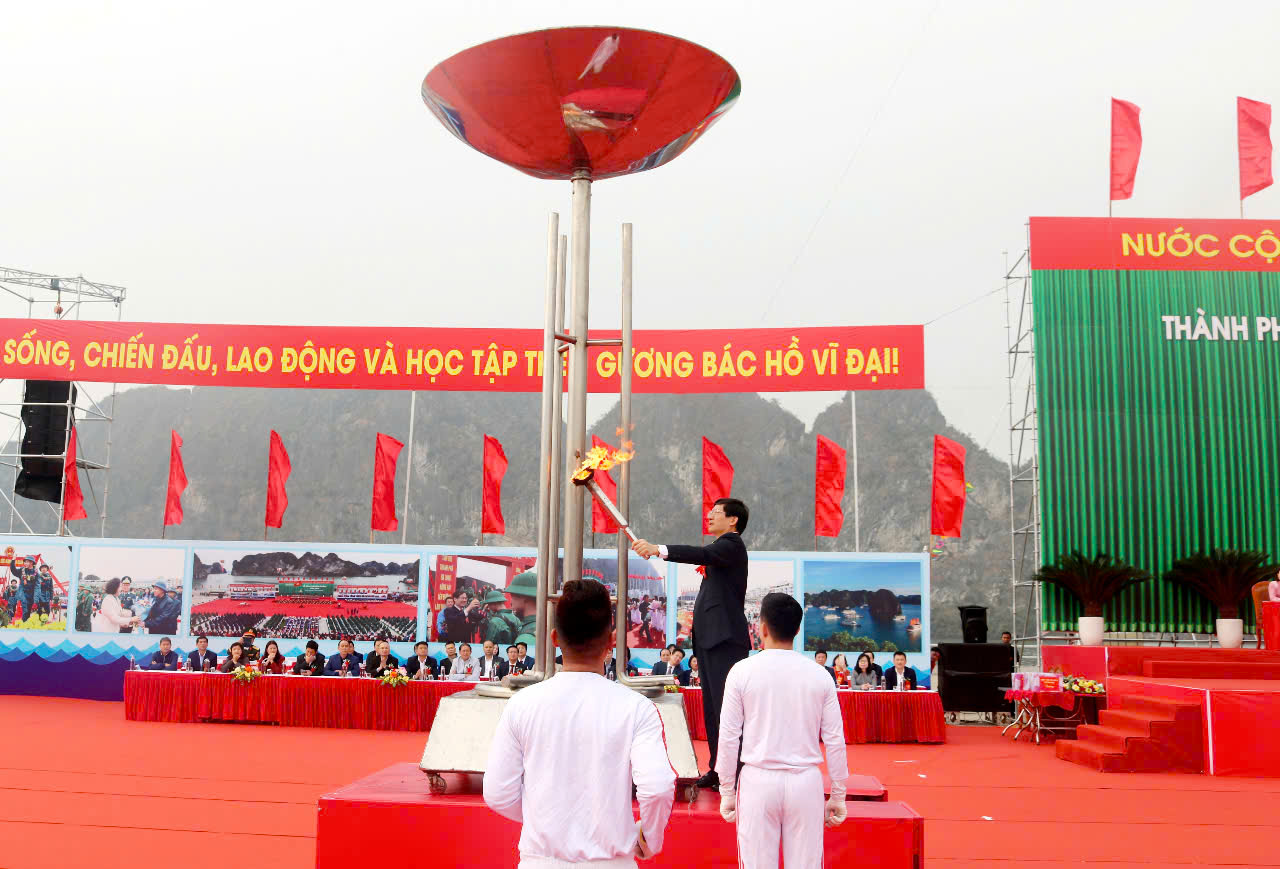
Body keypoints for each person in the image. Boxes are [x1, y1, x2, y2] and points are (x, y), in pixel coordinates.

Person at [484, 578, 674, 866]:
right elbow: (658, 787)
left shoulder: (522, 704)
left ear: (554, 638)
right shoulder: (636, 708)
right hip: (612, 861)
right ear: (612, 641)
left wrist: (546, 818)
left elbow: (498, 793)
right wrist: (649, 839)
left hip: (541, 860)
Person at [715, 593, 848, 867]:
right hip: (805, 783)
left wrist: (727, 789)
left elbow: (728, 736)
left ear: (762, 628)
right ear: (797, 630)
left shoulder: (741, 671)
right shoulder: (820, 675)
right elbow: (834, 739)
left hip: (758, 782)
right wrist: (838, 794)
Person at [633, 496, 752, 790]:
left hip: (726, 641)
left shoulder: (731, 545)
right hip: (711, 641)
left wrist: (658, 550)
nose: (709, 516)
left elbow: (701, 553)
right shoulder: (721, 550)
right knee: (712, 709)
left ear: (733, 520)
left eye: (716, 512)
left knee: (726, 709)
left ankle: (735, 772)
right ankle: (718, 768)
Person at [502, 570, 539, 650]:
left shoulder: (526, 639)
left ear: (524, 597)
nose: (511, 602)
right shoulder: (546, 624)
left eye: (512, 596)